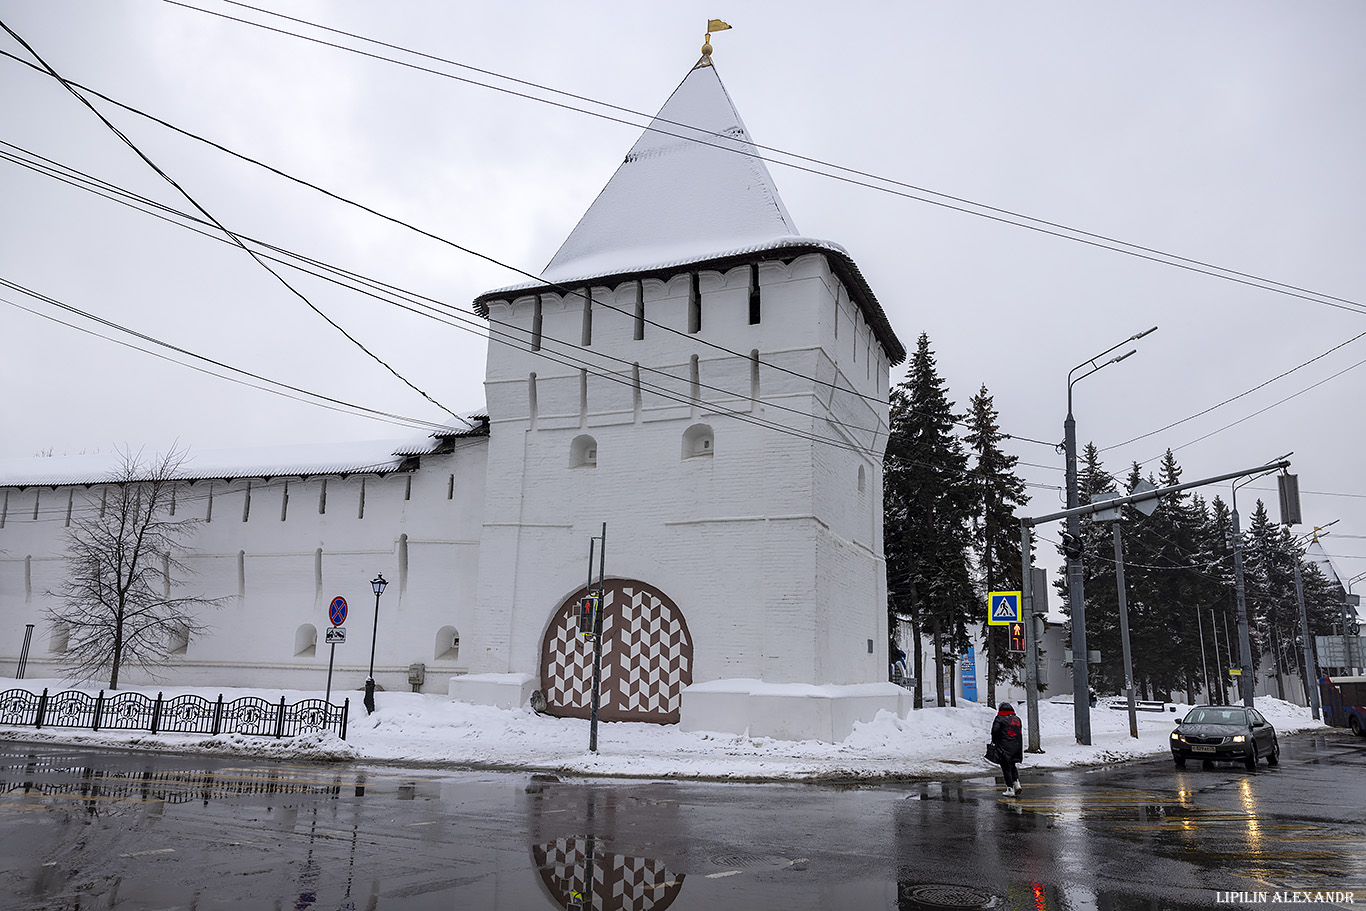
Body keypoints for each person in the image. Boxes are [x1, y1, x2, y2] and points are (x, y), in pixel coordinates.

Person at [991, 702, 1024, 797]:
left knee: (1006, 767)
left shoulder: (999, 719)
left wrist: (994, 741)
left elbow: (995, 731)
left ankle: (1010, 789)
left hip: (1004, 746)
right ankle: (1016, 783)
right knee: (1013, 765)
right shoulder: (1017, 719)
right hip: (1016, 746)